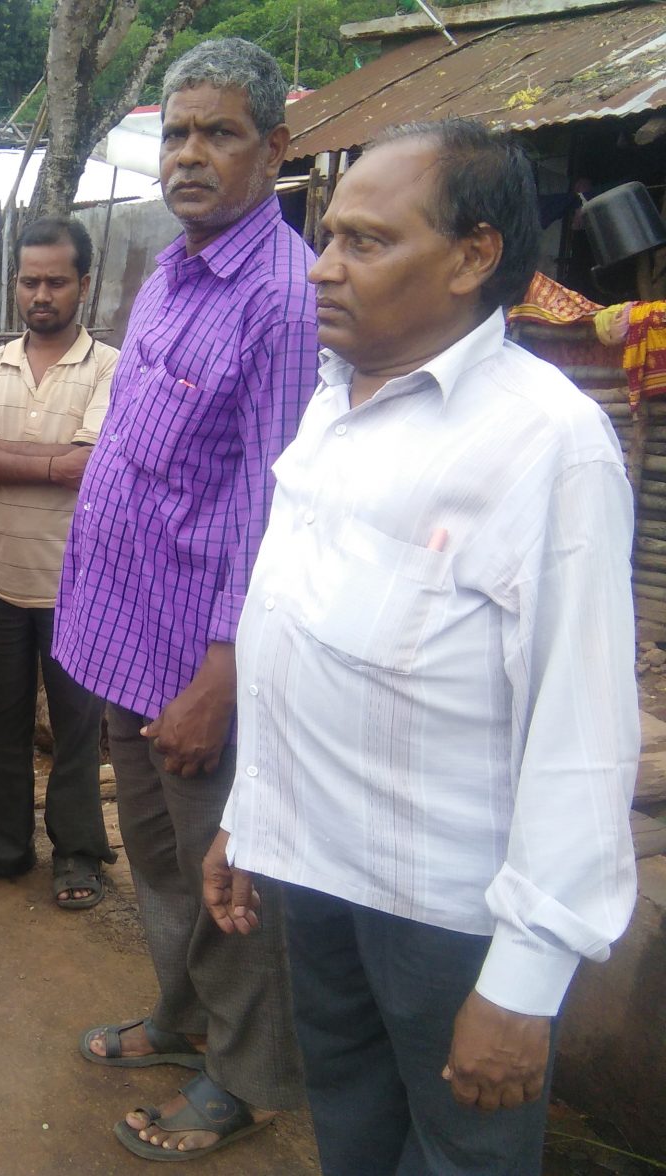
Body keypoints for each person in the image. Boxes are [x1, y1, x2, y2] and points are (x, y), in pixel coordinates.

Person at [207, 118, 640, 1176]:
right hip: (316, 873)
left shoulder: (545, 445)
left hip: (446, 921)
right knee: (351, 1130)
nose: (322, 267)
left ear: (471, 256)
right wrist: (247, 818)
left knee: (461, 1155)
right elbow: (290, 629)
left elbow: (581, 733)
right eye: (328, 237)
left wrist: (522, 983)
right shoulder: (331, 400)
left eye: (364, 242)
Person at [52, 38, 315, 1161]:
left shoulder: (283, 300)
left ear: (274, 148)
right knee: (158, 858)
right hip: (126, 634)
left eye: (219, 133)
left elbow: (271, 501)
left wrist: (221, 674)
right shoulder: (171, 271)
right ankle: (182, 1018)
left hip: (200, 662)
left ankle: (246, 1077)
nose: (189, 155)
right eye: (175, 133)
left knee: (223, 876)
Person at [0, 216, 117, 909]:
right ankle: (1, 842)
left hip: (79, 589)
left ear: (83, 285)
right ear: (16, 284)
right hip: (3, 581)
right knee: (1, 722)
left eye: (56, 281)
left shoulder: (109, 368)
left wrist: (2, 457)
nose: (42, 294)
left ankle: (78, 854)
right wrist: (52, 464)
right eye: (30, 281)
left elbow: (91, 465)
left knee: (76, 730)